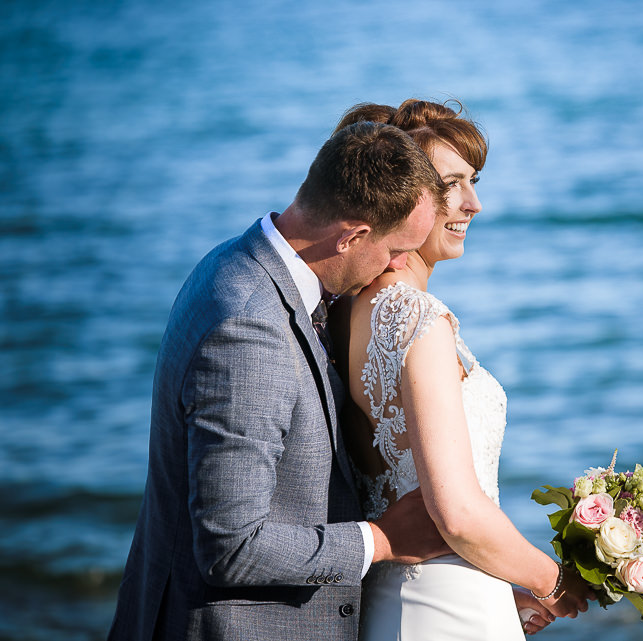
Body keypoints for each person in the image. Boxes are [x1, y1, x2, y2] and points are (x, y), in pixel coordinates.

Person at [108, 122, 453, 641]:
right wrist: (380, 541)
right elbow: (232, 547)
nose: (401, 265)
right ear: (353, 235)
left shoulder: (236, 260)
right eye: (394, 249)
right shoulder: (248, 328)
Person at [328, 100, 593, 640]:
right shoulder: (419, 319)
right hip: (443, 616)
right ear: (403, 197)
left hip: (410, 599)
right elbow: (457, 513)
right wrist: (553, 581)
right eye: (452, 184)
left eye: (473, 181)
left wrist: (500, 589)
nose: (473, 203)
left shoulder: (358, 312)